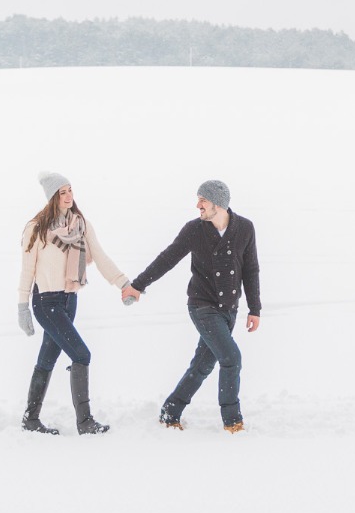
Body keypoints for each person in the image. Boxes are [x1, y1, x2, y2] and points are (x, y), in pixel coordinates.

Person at [121, 180, 261, 433]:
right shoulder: (195, 230)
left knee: (203, 365)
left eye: (202, 200)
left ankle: (170, 411)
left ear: (218, 204)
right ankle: (232, 421)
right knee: (231, 358)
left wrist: (254, 309)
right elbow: (168, 258)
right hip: (202, 306)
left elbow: (251, 270)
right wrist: (138, 285)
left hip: (229, 308)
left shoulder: (245, 229)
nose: (198, 205)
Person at [17, 171, 131, 435]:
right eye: (62, 192)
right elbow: (27, 270)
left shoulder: (81, 224)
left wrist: (123, 283)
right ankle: (85, 421)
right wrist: (22, 306)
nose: (69, 196)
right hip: (46, 301)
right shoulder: (36, 228)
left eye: (70, 190)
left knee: (48, 357)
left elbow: (100, 257)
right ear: (52, 197)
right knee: (81, 354)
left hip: (70, 300)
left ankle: (30, 420)